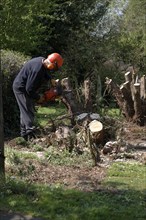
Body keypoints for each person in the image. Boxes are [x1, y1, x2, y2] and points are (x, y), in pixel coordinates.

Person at [12, 53, 63, 141]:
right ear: (53, 64)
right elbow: (29, 89)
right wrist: (38, 97)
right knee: (28, 110)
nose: (53, 69)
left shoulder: (41, 60)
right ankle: (30, 134)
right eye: (55, 67)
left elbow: (45, 71)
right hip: (21, 88)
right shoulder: (37, 70)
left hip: (23, 87)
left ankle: (23, 135)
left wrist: (50, 79)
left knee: (25, 110)